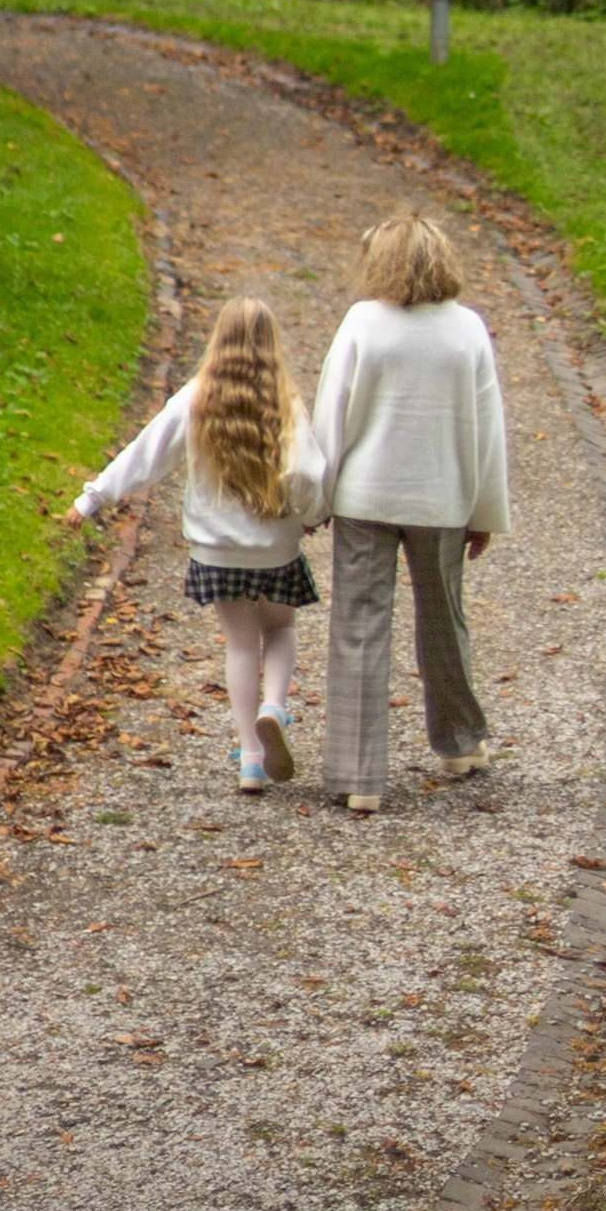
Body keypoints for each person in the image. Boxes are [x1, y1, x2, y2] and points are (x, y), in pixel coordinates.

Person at [67, 295, 325, 792]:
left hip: (216, 551)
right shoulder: (284, 401)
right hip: (273, 546)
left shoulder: (195, 397)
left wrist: (93, 497)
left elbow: (149, 452)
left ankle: (251, 755)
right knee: (281, 627)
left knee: (240, 643)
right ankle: (274, 707)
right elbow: (308, 472)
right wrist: (314, 515)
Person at [306, 211, 509, 815]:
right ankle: (459, 744)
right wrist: (484, 511)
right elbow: (487, 430)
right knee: (444, 619)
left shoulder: (363, 323)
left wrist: (316, 499)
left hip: (364, 499)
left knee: (359, 628)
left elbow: (331, 413)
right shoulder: (468, 329)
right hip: (441, 498)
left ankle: (359, 776)